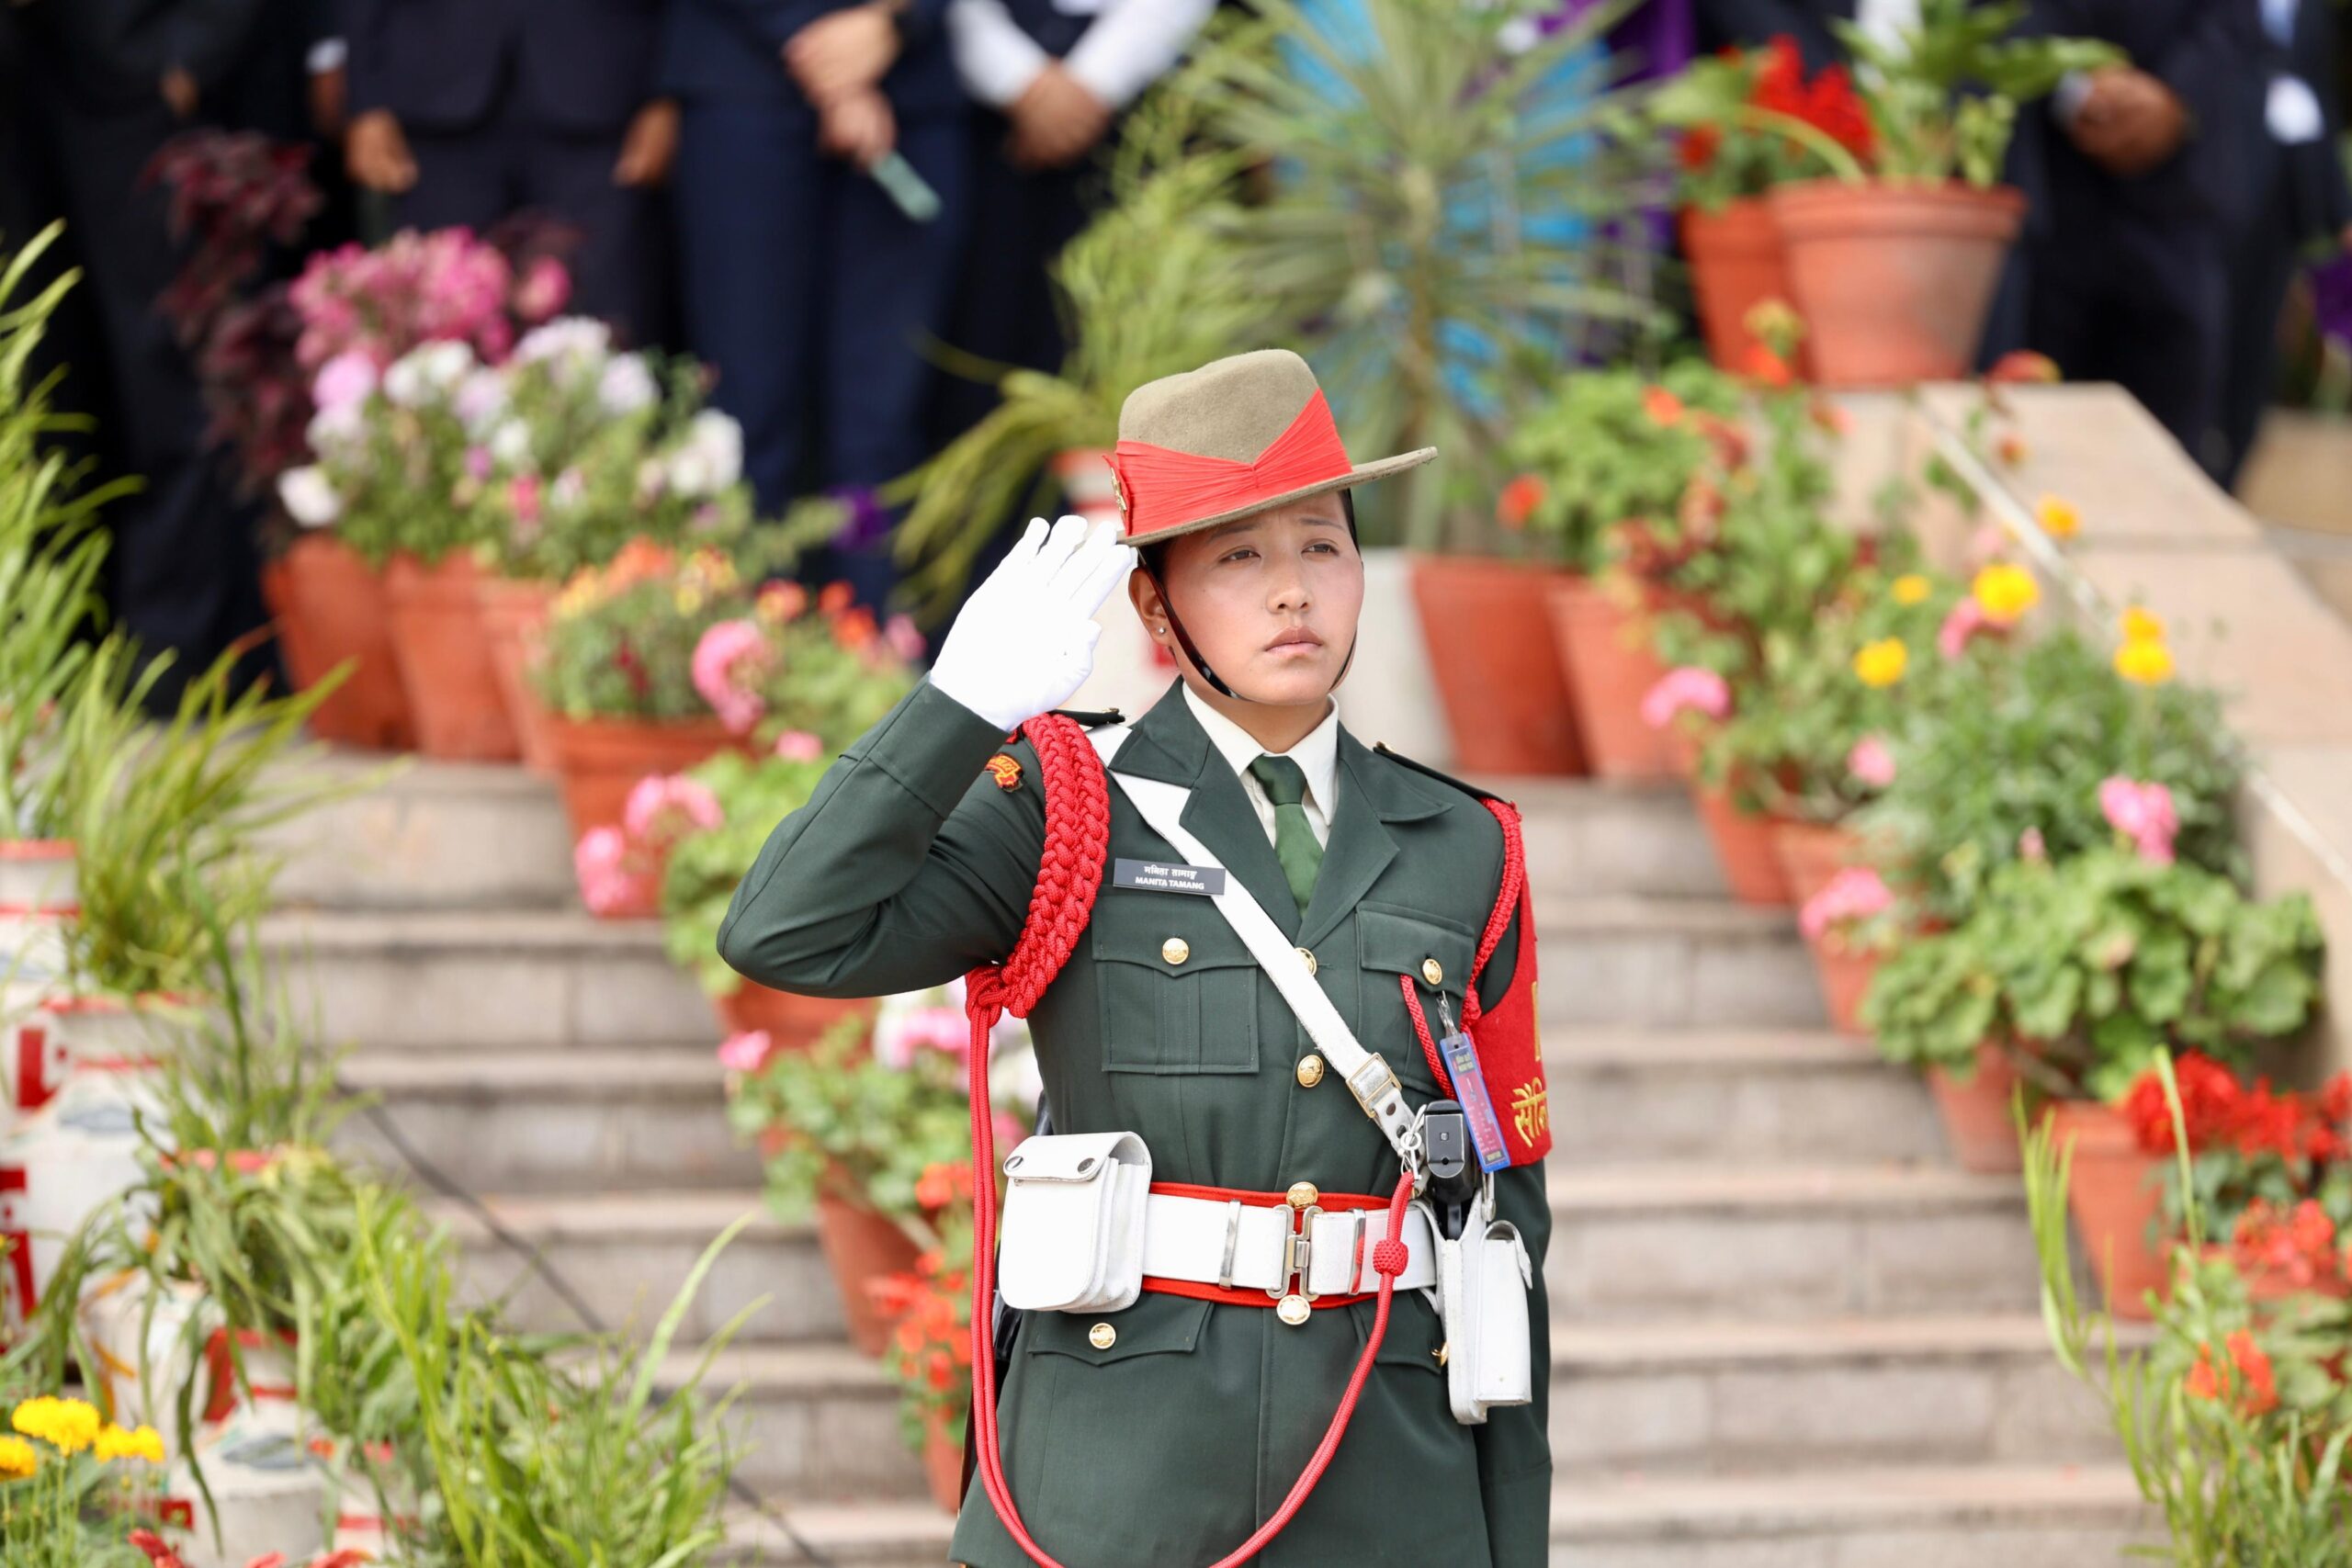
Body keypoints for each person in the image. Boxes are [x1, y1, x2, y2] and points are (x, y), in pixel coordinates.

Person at [717, 348, 1553, 1566]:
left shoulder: (1465, 847)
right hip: (1117, 1481)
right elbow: (787, 928)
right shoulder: (1066, 805)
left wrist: (1508, 1538)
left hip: (1387, 1477)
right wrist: (958, 704)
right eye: (1238, 557)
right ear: (1156, 610)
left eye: (1321, 546)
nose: (1292, 592)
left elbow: (1505, 1232)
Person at [2, 0, 279, 706]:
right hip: (26, 80)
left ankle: (180, 652)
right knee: (50, 378)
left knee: (166, 367)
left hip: (142, 79)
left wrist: (189, 51)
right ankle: (66, 648)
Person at [662, 0, 970, 611]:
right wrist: (834, 60)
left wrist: (893, 22)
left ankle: (875, 647)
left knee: (882, 424)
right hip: (744, 80)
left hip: (914, 96)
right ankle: (742, 642)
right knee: (747, 416)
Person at [2015, 1, 2264, 473]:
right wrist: (2076, 82)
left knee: (2167, 456)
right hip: (2049, 201)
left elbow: (2233, 22)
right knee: (2034, 443)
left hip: (2180, 201)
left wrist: (2178, 95)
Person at [343, 0, 677, 343]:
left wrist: (667, 89)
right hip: (435, 95)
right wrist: (366, 98)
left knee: (611, 329)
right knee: (440, 335)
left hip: (607, 89)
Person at [2216, 0, 2352, 491]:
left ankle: (2228, 483)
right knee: (2202, 343)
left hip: (2281, 208)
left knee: (2256, 352)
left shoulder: (2312, 13)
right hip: (2214, 195)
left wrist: (2340, 213)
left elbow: (2321, 101)